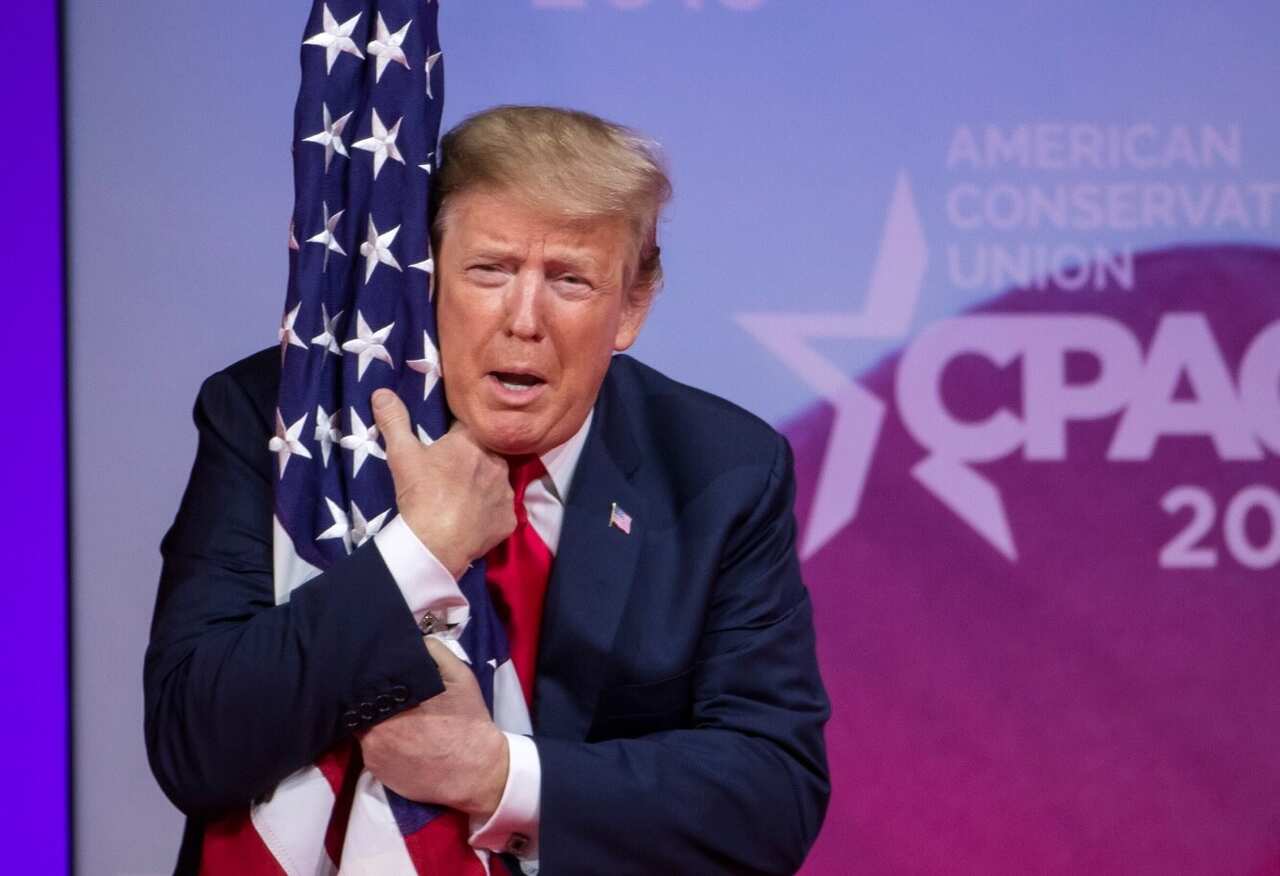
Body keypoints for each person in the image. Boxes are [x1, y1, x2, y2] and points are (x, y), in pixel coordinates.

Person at [146, 106, 830, 875]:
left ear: (631, 307)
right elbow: (192, 743)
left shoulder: (720, 471)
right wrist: (418, 553)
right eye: (490, 270)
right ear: (424, 277)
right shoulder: (285, 423)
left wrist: (499, 775)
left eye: (570, 279)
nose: (524, 320)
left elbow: (774, 795)